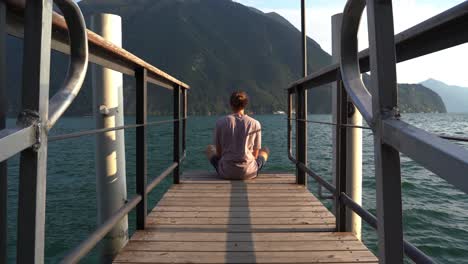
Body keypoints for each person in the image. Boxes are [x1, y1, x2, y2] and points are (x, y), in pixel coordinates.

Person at [205, 91, 269, 180]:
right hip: (249, 172)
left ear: (231, 104)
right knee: (265, 150)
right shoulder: (255, 123)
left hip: (226, 172)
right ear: (245, 104)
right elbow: (255, 155)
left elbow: (219, 154)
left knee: (209, 148)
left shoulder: (220, 122)